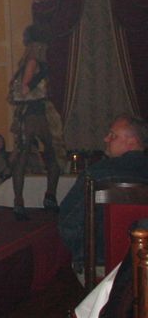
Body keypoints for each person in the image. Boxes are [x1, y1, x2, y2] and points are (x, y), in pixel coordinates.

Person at [58, 113, 148, 273]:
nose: (106, 139)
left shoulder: (96, 173)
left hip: (101, 266)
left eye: (112, 135)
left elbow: (68, 219)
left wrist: (83, 255)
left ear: (132, 142)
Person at [9, 24, 64, 221]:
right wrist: (41, 75)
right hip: (35, 113)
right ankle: (39, 198)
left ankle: (25, 200)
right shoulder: (33, 61)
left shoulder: (31, 61)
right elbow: (24, 89)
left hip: (33, 113)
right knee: (51, 154)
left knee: (29, 156)